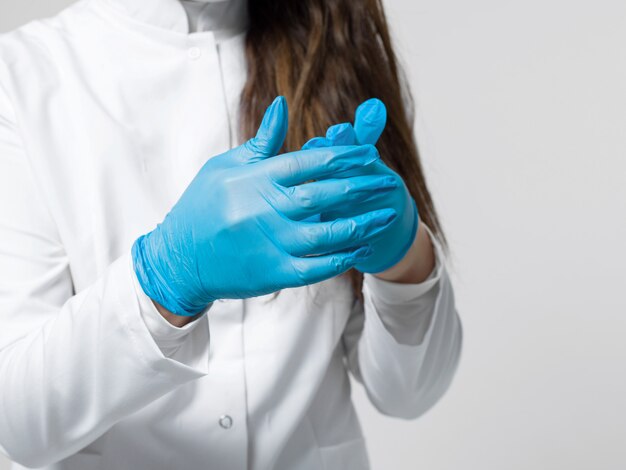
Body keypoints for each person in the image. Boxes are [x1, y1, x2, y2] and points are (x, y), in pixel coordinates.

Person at [0, 0, 462, 468]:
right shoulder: (22, 77)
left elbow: (410, 393)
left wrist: (403, 261)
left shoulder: (332, 48)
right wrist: (164, 279)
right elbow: (17, 425)